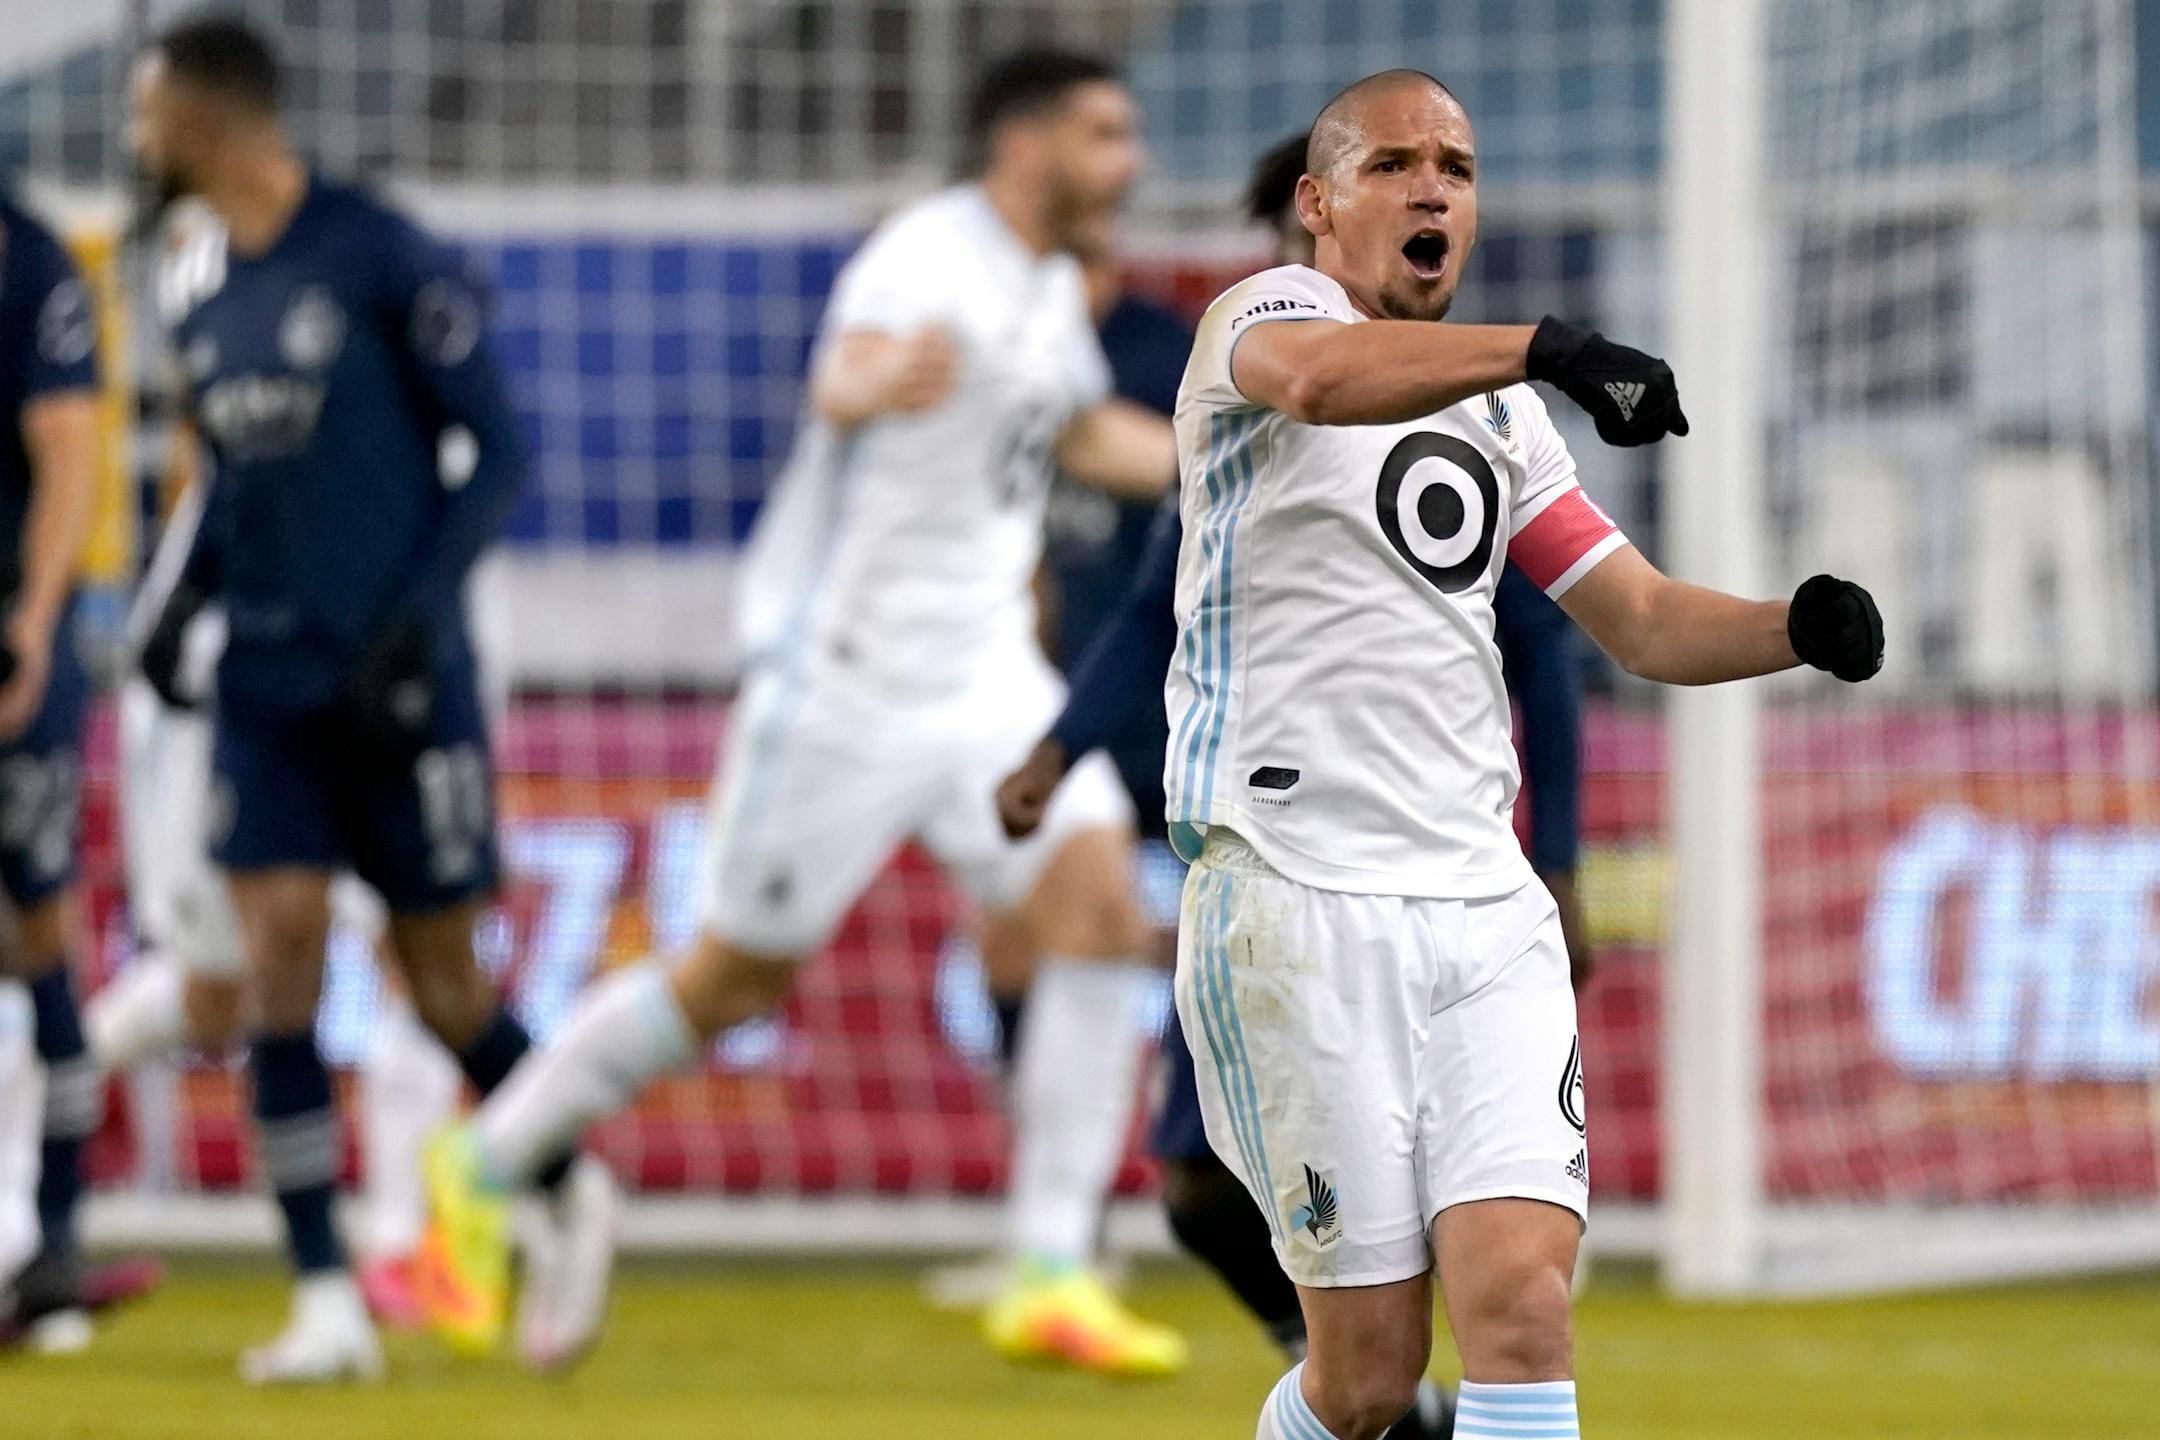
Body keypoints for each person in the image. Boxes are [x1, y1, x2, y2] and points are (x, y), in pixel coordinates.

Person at [420, 50, 1187, 1379]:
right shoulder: (923, 258)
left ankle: (1051, 1266)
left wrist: (1239, 462)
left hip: (988, 681)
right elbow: (845, 374)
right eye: (1105, 136)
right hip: (844, 685)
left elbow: (1075, 437)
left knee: (1102, 909)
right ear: (1025, 143)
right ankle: (484, 1167)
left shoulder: (1048, 286)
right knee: (734, 978)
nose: (1131, 164)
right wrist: (864, 382)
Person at [1165, 71, 1879, 1440]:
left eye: (1458, 166)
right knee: (1368, 1382)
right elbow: (1324, 384)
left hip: (1483, 914)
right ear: (1318, 204)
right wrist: (1547, 342)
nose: (1434, 188)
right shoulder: (1261, 324)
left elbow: (1646, 621)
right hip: (1298, 901)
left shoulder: (1503, 418)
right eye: (1393, 165)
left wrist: (1798, 626)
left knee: (1525, 1312)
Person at [126, 14, 611, 1382]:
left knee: (444, 984)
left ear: (209, 116)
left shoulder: (380, 249)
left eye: (148, 111)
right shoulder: (196, 282)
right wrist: (175, 613)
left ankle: (573, 1189)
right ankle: (327, 1299)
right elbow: (231, 476)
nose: (136, 137)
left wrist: (415, 623)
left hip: (400, 688)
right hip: (267, 685)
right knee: (277, 958)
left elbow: (496, 453)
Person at [0, 186, 164, 1350]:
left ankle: (46, 1237)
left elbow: (68, 454)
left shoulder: (30, 262)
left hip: (11, 638)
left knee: (33, 929)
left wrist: (35, 619)